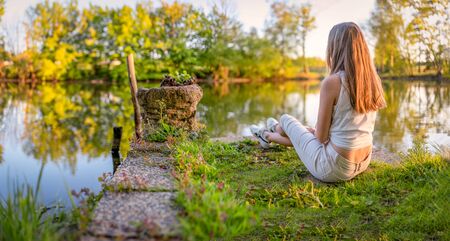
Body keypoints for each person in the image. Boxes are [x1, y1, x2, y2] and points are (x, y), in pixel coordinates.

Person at [250, 22, 386, 182]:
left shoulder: (333, 82)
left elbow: (321, 137)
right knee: (307, 133)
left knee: (287, 119)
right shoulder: (373, 80)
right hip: (363, 161)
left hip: (334, 168)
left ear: (334, 49)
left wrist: (312, 132)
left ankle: (273, 130)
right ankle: (270, 135)